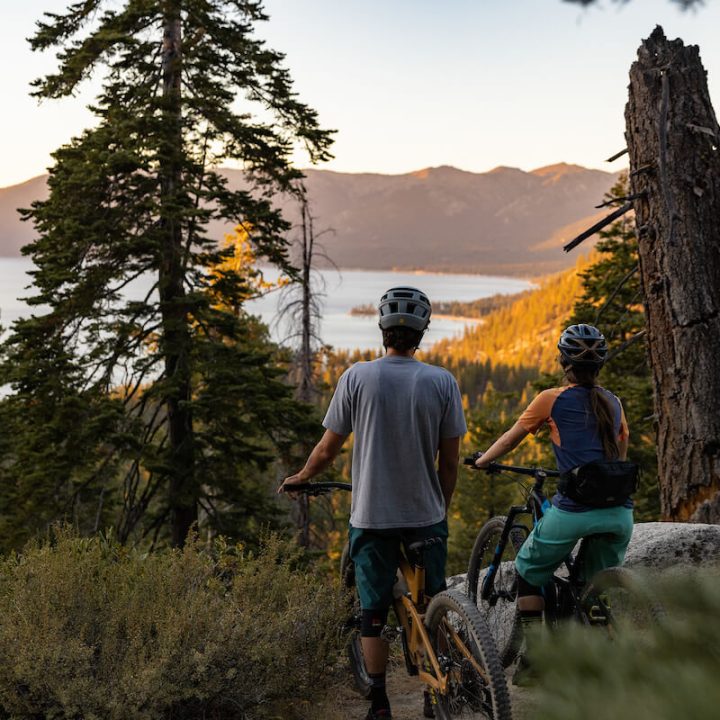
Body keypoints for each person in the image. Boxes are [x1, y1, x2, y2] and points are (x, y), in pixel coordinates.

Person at [280, 286, 467, 720]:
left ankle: (380, 702)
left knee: (373, 609)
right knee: (432, 602)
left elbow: (327, 449)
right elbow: (451, 463)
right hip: (426, 516)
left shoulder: (357, 377)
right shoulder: (442, 381)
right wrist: (441, 508)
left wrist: (302, 477)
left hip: (372, 516)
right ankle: (438, 690)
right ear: (422, 333)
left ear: (383, 328)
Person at [473, 323, 634, 682]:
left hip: (574, 512)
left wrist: (483, 460)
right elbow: (619, 456)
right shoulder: (614, 402)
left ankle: (538, 660)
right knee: (595, 584)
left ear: (564, 362)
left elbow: (511, 439)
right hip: (620, 514)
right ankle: (596, 656)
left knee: (528, 573)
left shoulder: (551, 398)